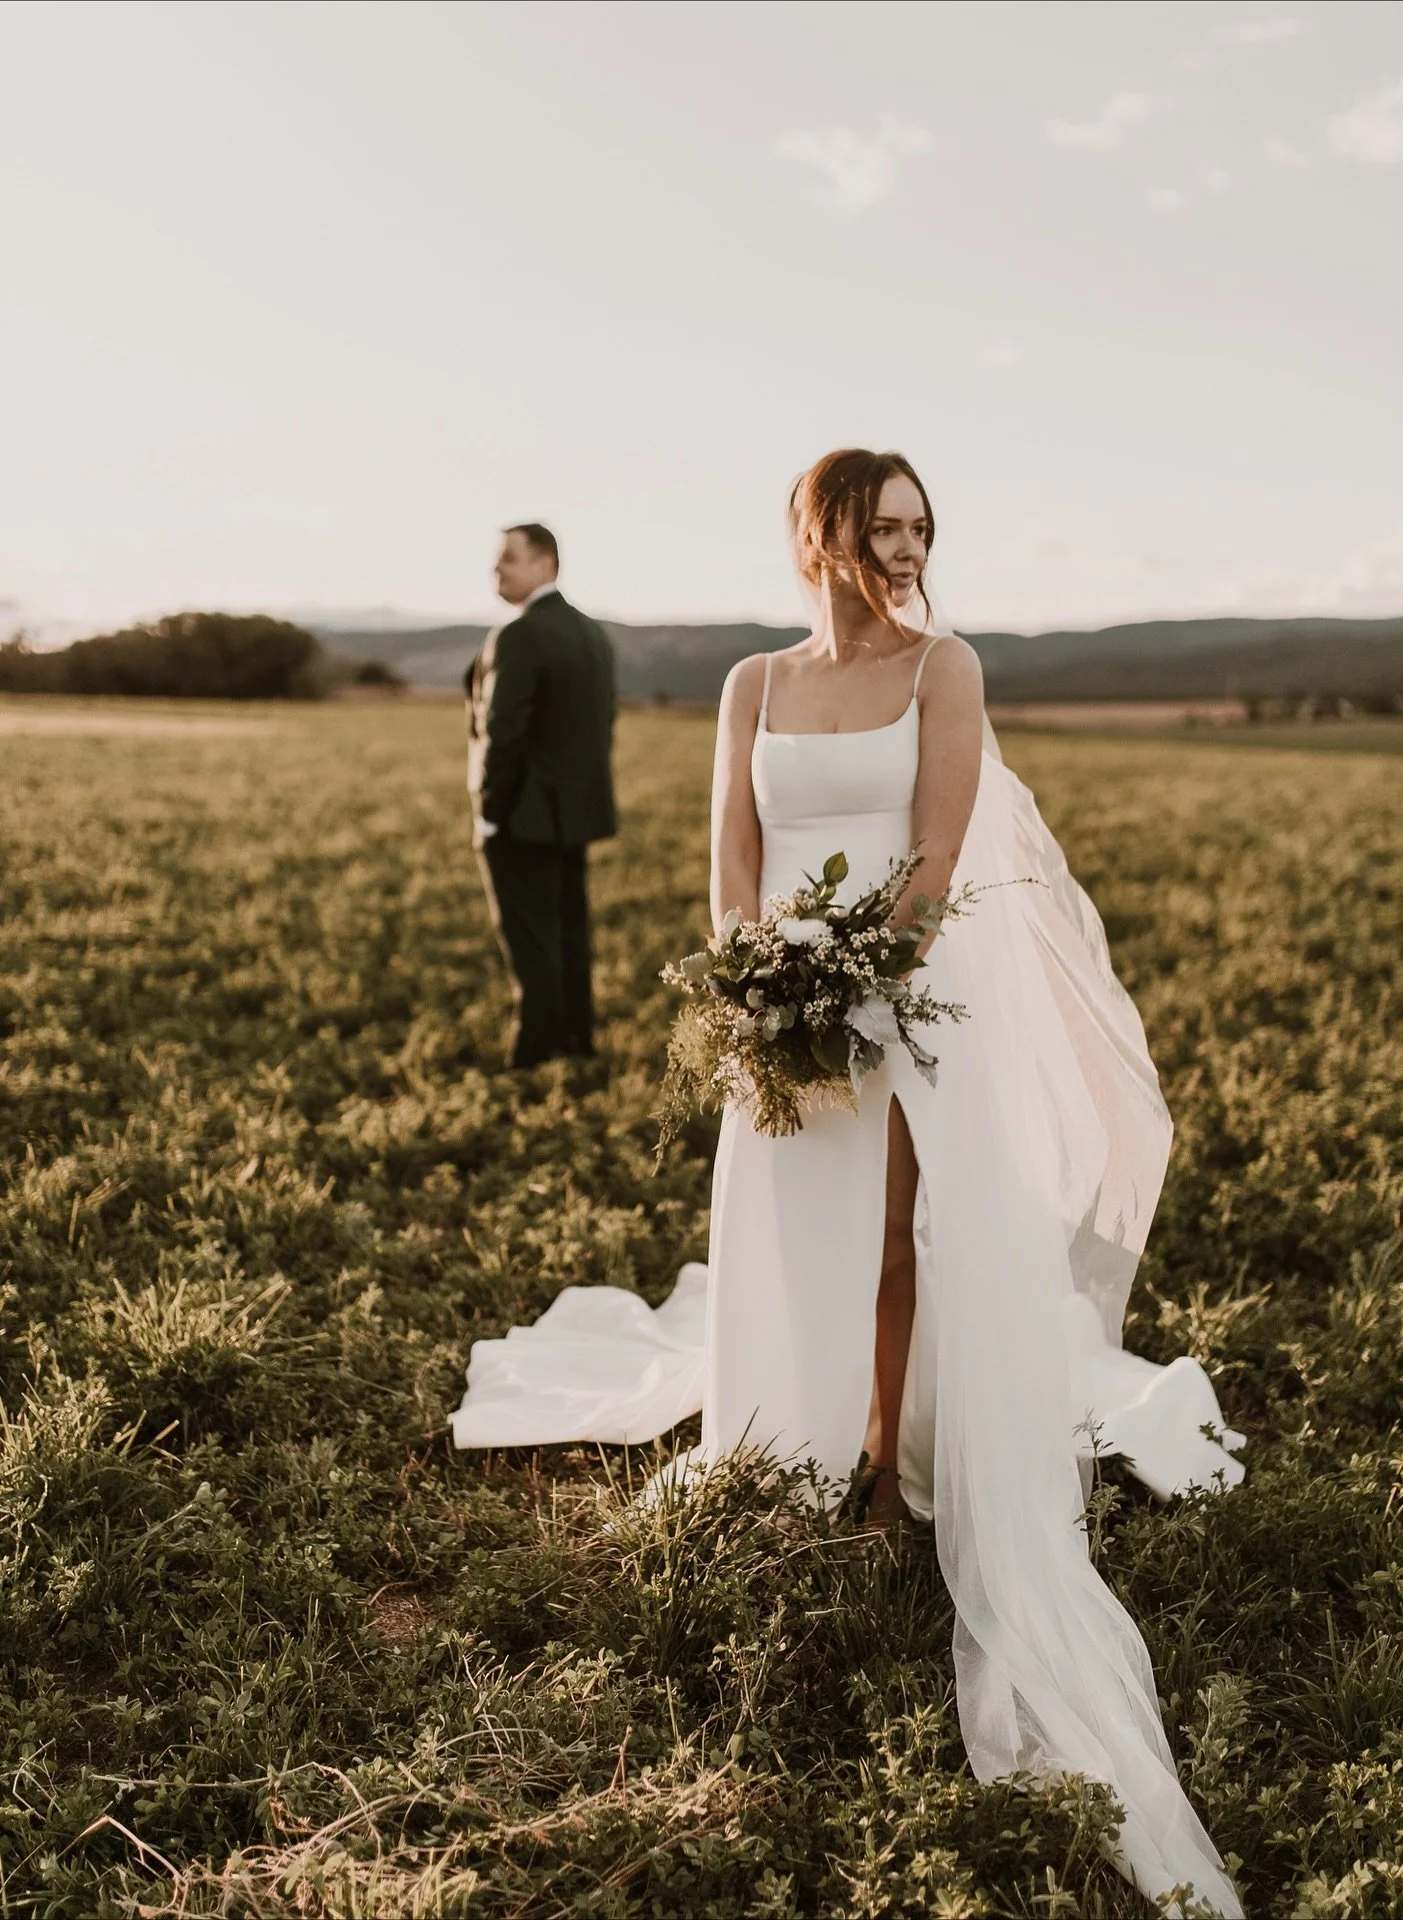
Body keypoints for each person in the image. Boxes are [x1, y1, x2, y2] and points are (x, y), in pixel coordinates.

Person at [451, 453, 1245, 1916]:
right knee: (781, 1236)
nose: (904, 546)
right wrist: (764, 984)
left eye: (921, 527)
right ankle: (783, 1446)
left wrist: (858, 979)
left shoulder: (947, 668)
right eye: (881, 525)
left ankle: (881, 1475)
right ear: (818, 533)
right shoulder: (754, 683)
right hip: (782, 1015)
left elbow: (935, 858)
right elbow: (728, 870)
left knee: (896, 1244)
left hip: (905, 997)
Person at [465, 522, 617, 1068]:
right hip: (574, 814)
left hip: (521, 815)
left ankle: (533, 1056)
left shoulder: (519, 634)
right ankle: (577, 1041)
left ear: (545, 565)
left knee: (531, 940)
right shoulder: (592, 633)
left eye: (508, 558)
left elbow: (501, 736)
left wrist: (487, 814)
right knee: (570, 932)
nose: (496, 569)